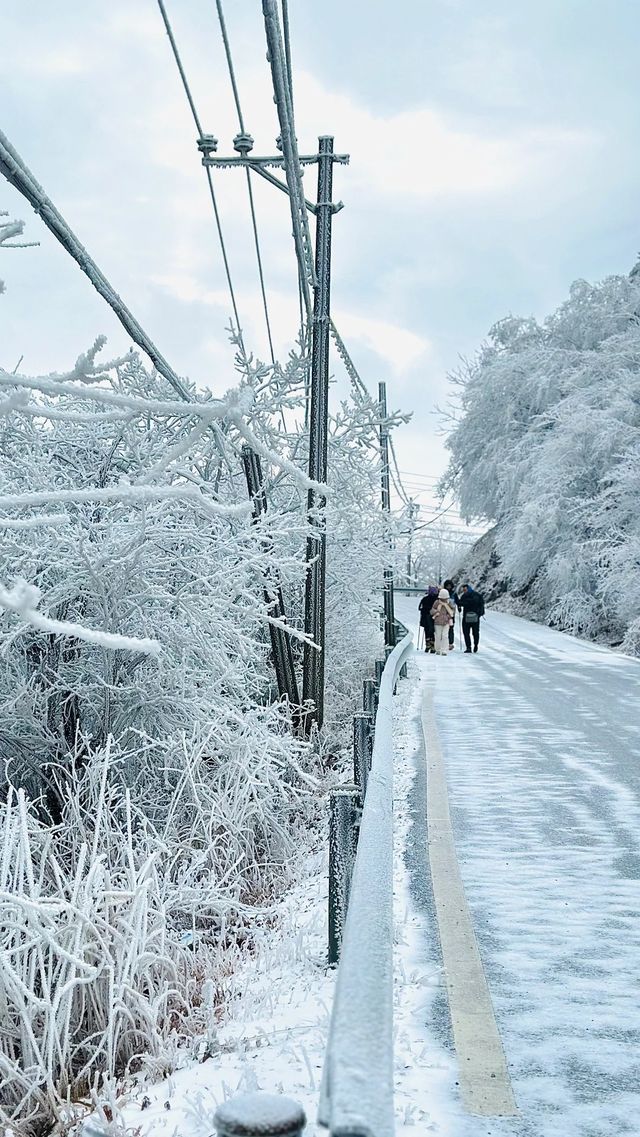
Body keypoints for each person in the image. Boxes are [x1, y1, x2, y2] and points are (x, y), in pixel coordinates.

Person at [458, 584, 485, 653]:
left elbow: (462, 603)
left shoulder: (465, 596)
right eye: (463, 590)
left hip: (467, 617)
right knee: (475, 632)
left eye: (465, 589)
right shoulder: (477, 595)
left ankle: (469, 647)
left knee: (466, 632)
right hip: (475, 617)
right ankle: (475, 645)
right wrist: (479, 614)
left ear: (467, 589)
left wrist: (458, 604)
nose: (464, 591)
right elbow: (482, 604)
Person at [430, 588, 455, 656]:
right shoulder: (437, 602)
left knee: (445, 636)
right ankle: (438, 649)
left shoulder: (449, 603)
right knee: (438, 636)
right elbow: (432, 611)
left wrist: (448, 616)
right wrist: (436, 612)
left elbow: (452, 611)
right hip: (437, 622)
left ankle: (444, 650)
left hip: (446, 622)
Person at [418, 585, 439, 653]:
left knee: (427, 631)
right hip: (434, 617)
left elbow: (420, 608)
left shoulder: (424, 599)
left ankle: (427, 645)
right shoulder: (437, 600)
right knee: (433, 631)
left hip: (425, 617)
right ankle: (433, 646)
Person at [443, 578, 458, 650]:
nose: (448, 587)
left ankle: (450, 643)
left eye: (450, 586)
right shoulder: (442, 593)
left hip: (451, 614)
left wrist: (460, 606)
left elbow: (457, 602)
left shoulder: (454, 594)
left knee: (451, 628)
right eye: (447, 586)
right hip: (442, 614)